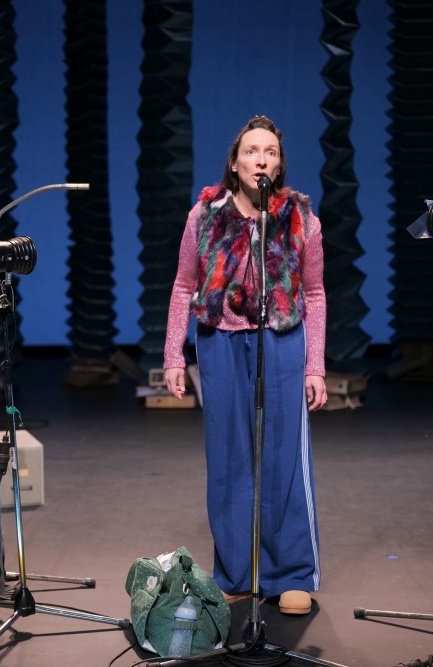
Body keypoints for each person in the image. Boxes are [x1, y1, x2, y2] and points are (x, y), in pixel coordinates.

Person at [163, 115, 328, 616]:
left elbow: (316, 294)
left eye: (272, 152)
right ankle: (236, 572)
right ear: (235, 163)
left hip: (281, 342)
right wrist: (174, 353)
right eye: (253, 150)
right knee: (230, 457)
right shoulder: (204, 216)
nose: (262, 158)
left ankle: (290, 574)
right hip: (219, 342)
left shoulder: (300, 219)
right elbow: (183, 286)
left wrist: (314, 365)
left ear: (279, 165)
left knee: (282, 456)